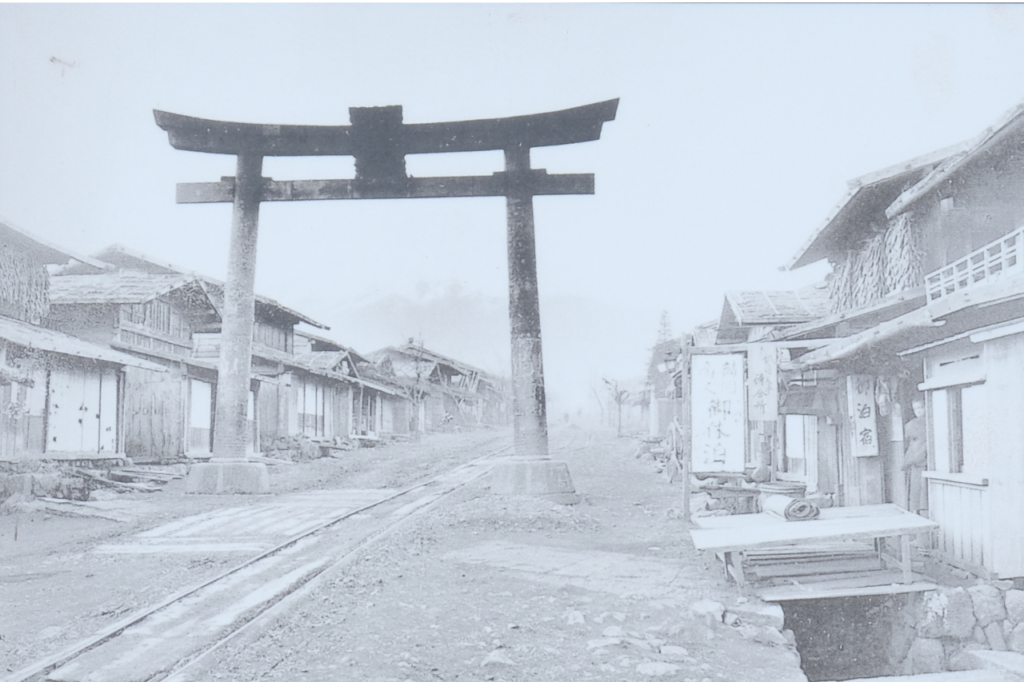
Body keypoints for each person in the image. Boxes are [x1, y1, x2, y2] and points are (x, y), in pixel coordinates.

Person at [902, 398, 928, 514]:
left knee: (925, 489)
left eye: (921, 408)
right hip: (915, 458)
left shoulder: (932, 421)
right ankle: (915, 511)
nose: (918, 411)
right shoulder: (911, 425)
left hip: (927, 458)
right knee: (916, 488)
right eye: (915, 409)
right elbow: (908, 441)